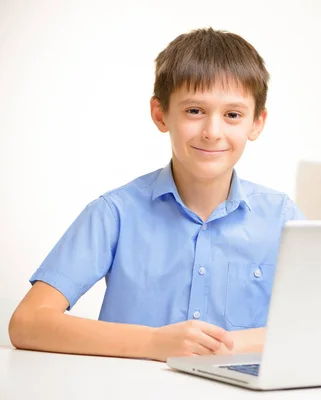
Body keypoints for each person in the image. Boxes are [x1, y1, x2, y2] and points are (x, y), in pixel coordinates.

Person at [8, 27, 304, 362]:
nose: (212, 132)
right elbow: (28, 323)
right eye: (194, 111)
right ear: (160, 114)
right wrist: (153, 343)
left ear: (257, 123)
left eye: (232, 115)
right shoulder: (114, 213)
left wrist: (212, 347)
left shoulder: (283, 218)